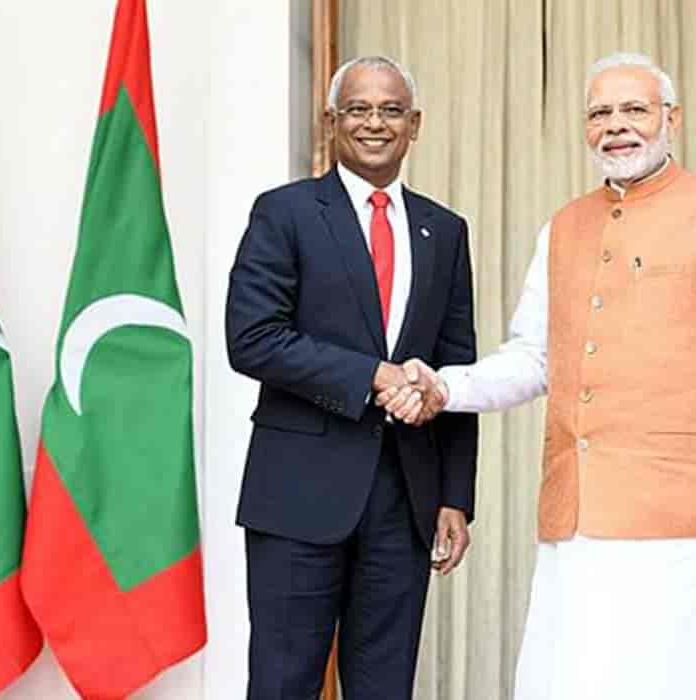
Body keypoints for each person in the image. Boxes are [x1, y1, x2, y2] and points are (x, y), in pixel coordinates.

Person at [380, 52, 696, 699]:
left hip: (686, 527)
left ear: (672, 119)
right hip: (576, 523)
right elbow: (534, 357)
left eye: (635, 110)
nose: (616, 126)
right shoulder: (563, 227)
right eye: (600, 113)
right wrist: (445, 387)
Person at [226, 55, 479, 700]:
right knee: (283, 684)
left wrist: (455, 496)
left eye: (391, 110)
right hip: (298, 497)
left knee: (385, 687)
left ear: (414, 125)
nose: (375, 123)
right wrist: (372, 376)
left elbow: (456, 366)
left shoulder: (445, 231)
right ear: (331, 120)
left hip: (405, 499)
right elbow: (252, 338)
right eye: (359, 109)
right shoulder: (284, 212)